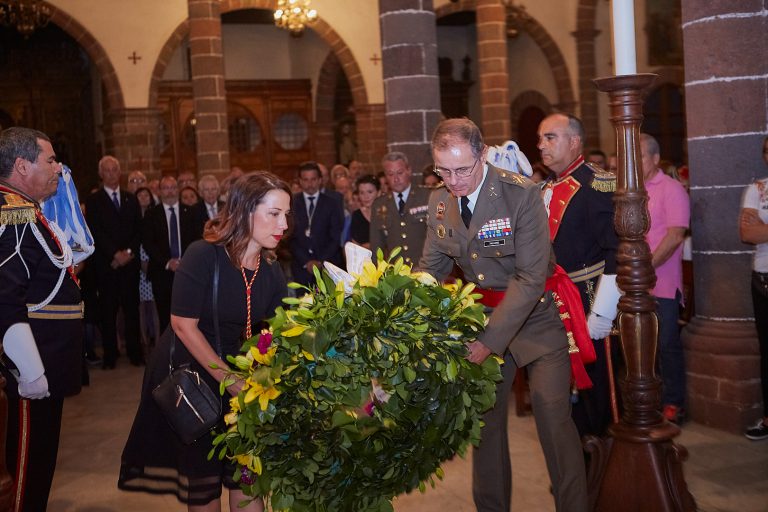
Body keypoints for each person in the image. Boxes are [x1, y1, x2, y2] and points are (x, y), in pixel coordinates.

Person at [419, 118, 587, 512]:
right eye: (443, 170)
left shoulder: (521, 195)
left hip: (536, 321)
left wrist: (488, 342)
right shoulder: (439, 201)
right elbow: (431, 269)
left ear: (481, 154)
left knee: (552, 419)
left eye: (462, 169)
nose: (453, 180)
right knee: (485, 428)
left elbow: (530, 279)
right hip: (481, 319)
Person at [119, 171, 290, 511]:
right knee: (205, 486)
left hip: (242, 379)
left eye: (287, 214)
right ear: (244, 212)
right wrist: (228, 379)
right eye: (274, 213)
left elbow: (278, 330)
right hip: (196, 376)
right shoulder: (203, 255)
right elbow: (182, 325)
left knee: (247, 475)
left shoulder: (270, 269)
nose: (284, 224)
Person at [0, 127, 83, 511]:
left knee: (41, 466)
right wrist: (30, 371)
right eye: (49, 160)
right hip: (33, 369)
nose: (58, 167)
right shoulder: (13, 213)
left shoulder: (26, 209)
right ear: (21, 165)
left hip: (49, 363)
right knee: (26, 475)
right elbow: (5, 297)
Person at [538, 113, 620, 438]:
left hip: (588, 301)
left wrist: (604, 309)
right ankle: (578, 468)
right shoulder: (545, 188)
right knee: (562, 393)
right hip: (553, 303)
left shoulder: (597, 183)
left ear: (574, 141)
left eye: (550, 137)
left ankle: (605, 469)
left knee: (597, 392)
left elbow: (617, 249)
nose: (541, 145)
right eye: (540, 139)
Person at [640, 134, 690, 424]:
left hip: (663, 283)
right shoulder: (631, 189)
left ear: (656, 159)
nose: (633, 161)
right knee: (641, 346)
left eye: (641, 155)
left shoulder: (671, 189)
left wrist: (645, 268)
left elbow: (674, 236)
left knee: (667, 344)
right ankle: (649, 400)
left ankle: (674, 402)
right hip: (634, 283)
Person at [85, 155, 143, 369]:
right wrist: (114, 255)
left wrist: (127, 253)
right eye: (106, 170)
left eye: (114, 170)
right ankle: (110, 355)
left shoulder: (130, 198)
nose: (111, 174)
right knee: (108, 312)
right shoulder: (94, 200)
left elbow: (138, 230)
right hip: (107, 265)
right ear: (101, 174)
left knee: (131, 311)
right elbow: (96, 232)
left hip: (129, 265)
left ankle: (136, 353)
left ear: (120, 173)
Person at [142, 175, 203, 335]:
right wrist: (168, 262)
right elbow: (149, 243)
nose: (170, 192)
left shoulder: (190, 212)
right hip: (162, 272)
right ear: (160, 192)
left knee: (188, 318)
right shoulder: (151, 214)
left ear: (178, 189)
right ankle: (166, 356)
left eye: (173, 188)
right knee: (165, 318)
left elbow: (197, 240)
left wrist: (186, 261)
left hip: (188, 273)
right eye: (166, 188)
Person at [740, 135, 768, 441]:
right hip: (763, 277)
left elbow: (759, 229)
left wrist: (764, 228)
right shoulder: (757, 189)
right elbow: (747, 232)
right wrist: (757, 230)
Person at [370, 152, 431, 265]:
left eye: (400, 173)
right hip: (397, 276)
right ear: (385, 176)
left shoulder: (427, 197)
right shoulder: (379, 205)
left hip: (425, 269)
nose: (396, 179)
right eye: (390, 174)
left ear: (409, 171)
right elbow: (376, 247)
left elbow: (439, 239)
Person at [289, 161, 344, 286]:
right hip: (301, 267)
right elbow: (290, 237)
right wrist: (306, 261)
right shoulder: (292, 203)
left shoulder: (332, 203)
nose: (310, 184)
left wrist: (320, 261)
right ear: (300, 181)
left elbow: (335, 236)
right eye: (306, 180)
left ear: (320, 180)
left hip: (327, 266)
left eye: (313, 179)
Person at [135, 187, 160, 353]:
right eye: (140, 195)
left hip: (154, 262)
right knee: (141, 306)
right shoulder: (134, 217)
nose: (143, 198)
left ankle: (158, 340)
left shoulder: (154, 215)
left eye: (146, 195)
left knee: (155, 305)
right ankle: (144, 340)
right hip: (137, 263)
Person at [350, 174, 380, 248]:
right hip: (364, 258)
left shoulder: (387, 213)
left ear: (378, 193)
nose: (366, 197)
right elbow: (355, 245)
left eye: (370, 192)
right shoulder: (356, 215)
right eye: (362, 193)